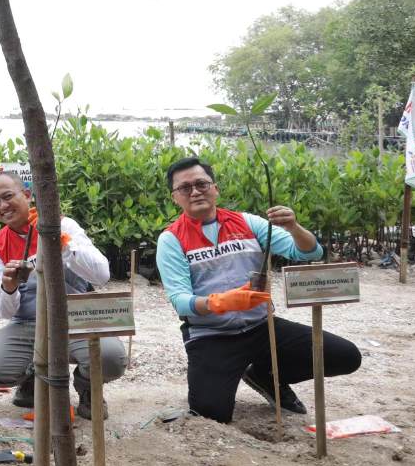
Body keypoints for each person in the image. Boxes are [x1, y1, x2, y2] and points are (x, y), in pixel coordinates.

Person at [155, 156, 361, 423]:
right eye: (185, 188)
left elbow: (309, 252)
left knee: (346, 357)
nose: (195, 192)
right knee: (211, 414)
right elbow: (180, 301)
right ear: (175, 197)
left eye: (201, 184)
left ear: (215, 188)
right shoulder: (171, 239)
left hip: (263, 327)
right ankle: (238, 376)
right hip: (211, 335)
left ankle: (264, 376)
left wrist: (293, 227)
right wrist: (222, 302)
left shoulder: (247, 223)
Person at [0, 171, 123, 419]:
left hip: (76, 317)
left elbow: (102, 275)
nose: (3, 206)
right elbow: (2, 311)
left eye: (8, 196)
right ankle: (32, 377)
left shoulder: (63, 225)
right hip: (28, 324)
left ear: (28, 195)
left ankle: (87, 386)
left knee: (110, 359)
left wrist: (62, 244)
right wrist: (8, 287)